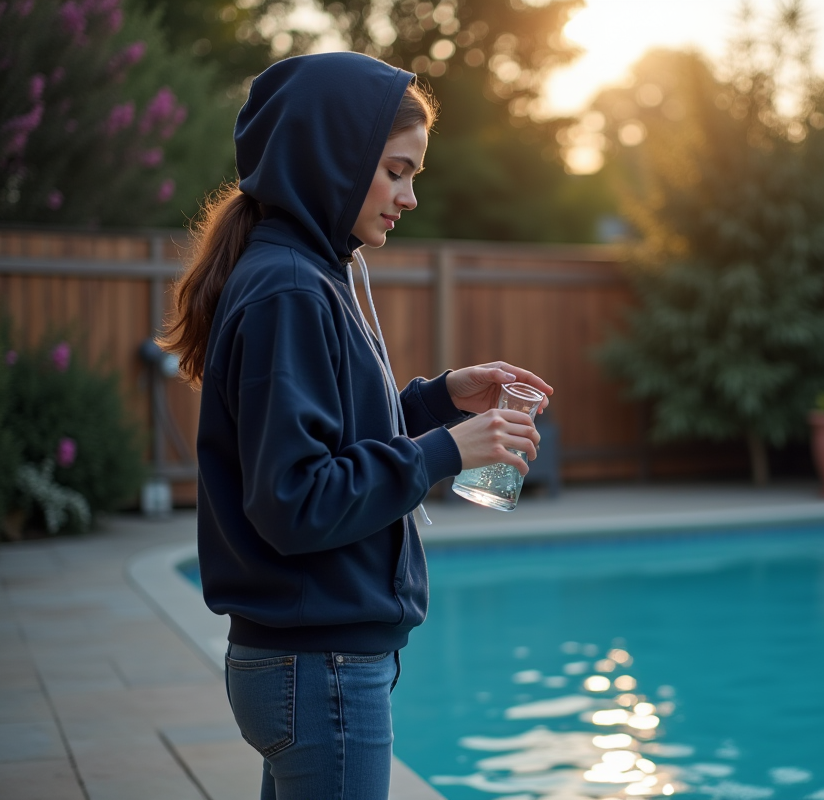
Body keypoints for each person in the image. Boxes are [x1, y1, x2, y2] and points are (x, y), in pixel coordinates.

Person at [161, 52, 552, 799]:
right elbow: (296, 498)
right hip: (321, 670)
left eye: (415, 177)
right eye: (396, 171)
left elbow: (330, 439)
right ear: (335, 158)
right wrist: (444, 452)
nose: (408, 197)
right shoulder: (290, 291)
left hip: (311, 666)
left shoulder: (307, 275)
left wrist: (439, 401)